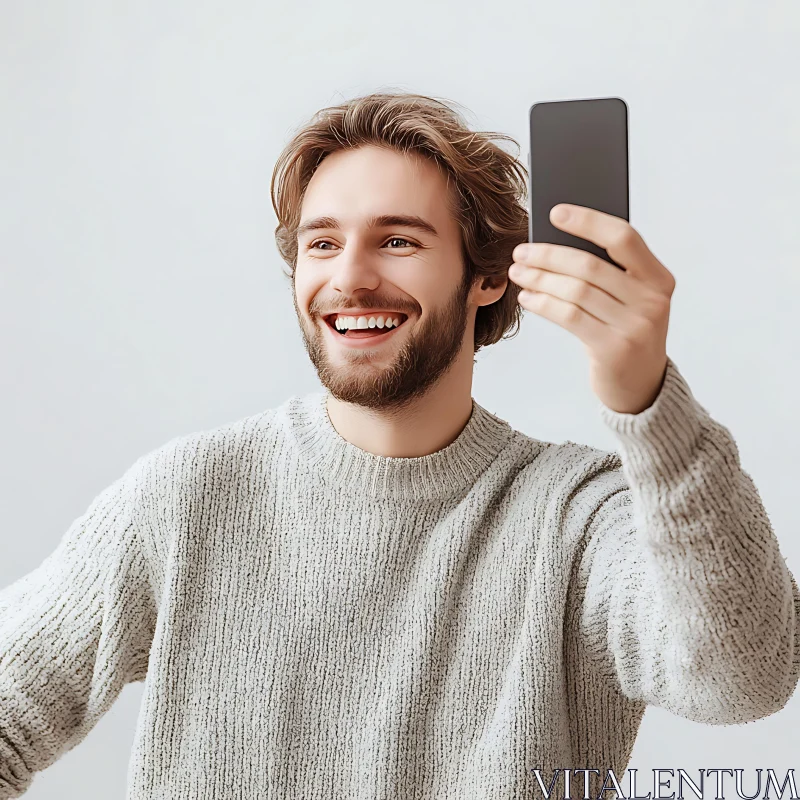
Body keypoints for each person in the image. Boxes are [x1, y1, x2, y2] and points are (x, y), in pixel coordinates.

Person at [1, 91, 798, 800]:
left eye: (398, 241)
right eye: (321, 243)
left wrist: (646, 398)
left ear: (488, 277)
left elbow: (744, 678)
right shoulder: (187, 496)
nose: (349, 278)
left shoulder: (578, 517)